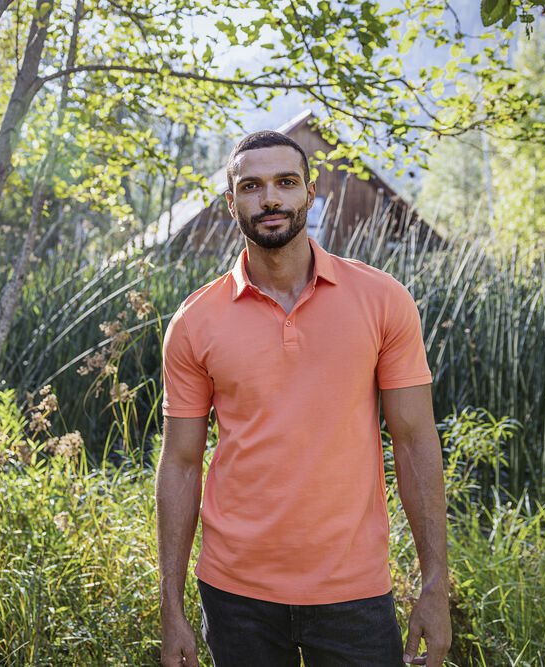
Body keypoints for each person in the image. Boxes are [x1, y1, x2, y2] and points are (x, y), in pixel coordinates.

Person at [156, 130, 451, 666]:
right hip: (235, 592)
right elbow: (180, 462)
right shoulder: (195, 322)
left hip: (355, 591)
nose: (270, 198)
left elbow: (413, 442)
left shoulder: (383, 300)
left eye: (286, 183)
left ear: (310, 193)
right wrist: (170, 607)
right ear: (232, 203)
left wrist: (435, 583)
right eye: (252, 186)